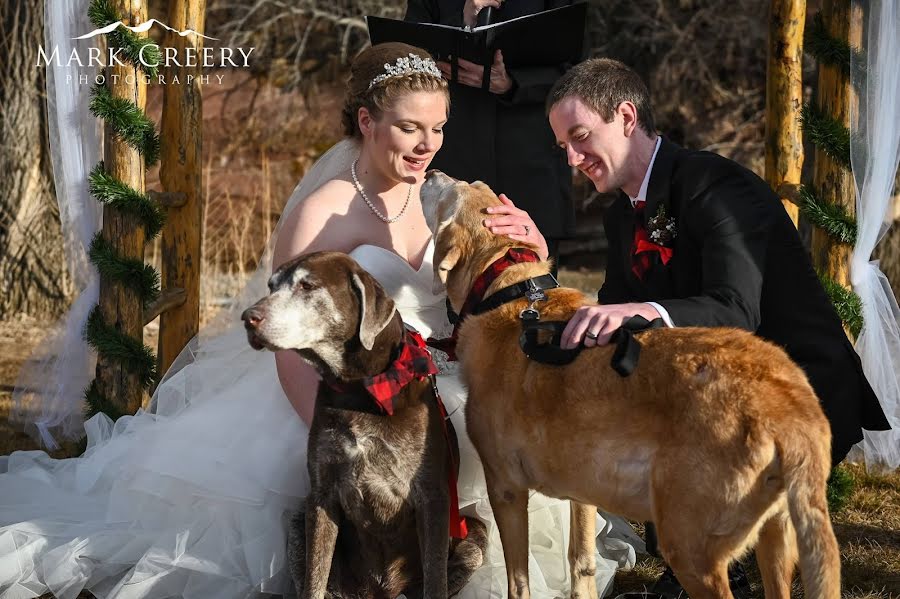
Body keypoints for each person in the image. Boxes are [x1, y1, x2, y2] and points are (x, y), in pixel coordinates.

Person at [0, 43, 638, 599]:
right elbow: (287, 343)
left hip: (436, 390)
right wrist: (345, 441)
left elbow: (508, 286)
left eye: (439, 128)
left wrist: (533, 246)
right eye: (410, 129)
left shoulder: (448, 197)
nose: (428, 146)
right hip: (336, 395)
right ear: (367, 121)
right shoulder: (325, 213)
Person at [544, 57, 892, 598]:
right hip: (716, 393)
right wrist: (541, 270)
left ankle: (701, 566)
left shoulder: (717, 186)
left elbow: (736, 310)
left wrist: (642, 313)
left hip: (795, 395)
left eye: (581, 136)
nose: (572, 158)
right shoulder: (620, 214)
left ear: (628, 117)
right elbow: (611, 310)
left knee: (679, 428)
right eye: (564, 144)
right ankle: (695, 571)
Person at [404, 0, 577, 266]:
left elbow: (574, 74)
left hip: (530, 171)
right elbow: (406, 58)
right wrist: (464, 27)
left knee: (533, 297)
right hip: (454, 164)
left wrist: (512, 84)